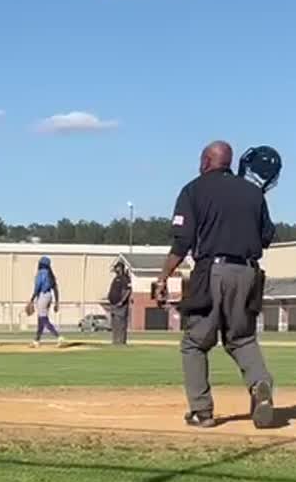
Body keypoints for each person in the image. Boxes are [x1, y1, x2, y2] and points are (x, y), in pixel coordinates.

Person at [155, 141, 278, 429]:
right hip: (248, 272)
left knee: (195, 343)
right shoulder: (253, 192)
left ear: (206, 161)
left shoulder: (193, 190)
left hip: (213, 271)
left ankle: (202, 411)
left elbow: (182, 241)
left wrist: (163, 276)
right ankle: (260, 384)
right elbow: (266, 237)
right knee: (242, 338)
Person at [28, 256, 61, 347]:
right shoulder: (51, 275)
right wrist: (57, 302)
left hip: (42, 296)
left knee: (43, 319)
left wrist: (31, 299)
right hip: (49, 296)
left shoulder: (40, 273)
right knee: (40, 319)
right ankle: (36, 340)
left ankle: (58, 336)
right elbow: (56, 289)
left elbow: (37, 287)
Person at [105, 259, 133, 345]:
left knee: (121, 323)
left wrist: (122, 301)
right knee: (114, 324)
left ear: (120, 268)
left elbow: (127, 291)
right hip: (113, 304)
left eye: (116, 268)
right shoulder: (116, 278)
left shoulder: (125, 278)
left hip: (121, 305)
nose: (115, 270)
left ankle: (121, 341)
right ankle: (115, 341)